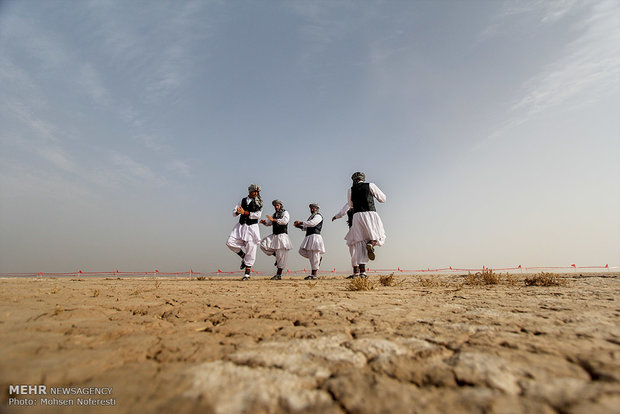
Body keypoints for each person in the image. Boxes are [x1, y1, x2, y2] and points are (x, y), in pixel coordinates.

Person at [333, 172, 386, 278]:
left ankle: (362, 272)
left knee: (359, 243)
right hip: (370, 213)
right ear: (363, 178)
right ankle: (372, 243)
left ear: (354, 180)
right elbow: (383, 199)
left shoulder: (350, 190)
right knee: (379, 234)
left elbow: (351, 205)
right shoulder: (370, 185)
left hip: (357, 216)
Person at [226, 184, 263, 281]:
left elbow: (258, 215)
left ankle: (247, 274)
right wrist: (238, 212)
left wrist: (245, 213)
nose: (255, 193)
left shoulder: (259, 202)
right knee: (230, 242)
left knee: (251, 248)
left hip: (252, 228)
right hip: (241, 226)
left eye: (257, 192)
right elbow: (235, 211)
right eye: (254, 191)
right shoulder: (242, 200)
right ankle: (243, 256)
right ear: (250, 191)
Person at [260, 200, 292, 280]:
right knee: (263, 244)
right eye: (275, 206)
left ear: (280, 205)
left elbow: (284, 221)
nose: (276, 207)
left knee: (281, 255)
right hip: (274, 235)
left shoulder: (285, 213)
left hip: (282, 236)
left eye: (277, 205)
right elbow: (269, 222)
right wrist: (264, 222)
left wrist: (274, 220)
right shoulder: (274, 214)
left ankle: (278, 275)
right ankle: (275, 255)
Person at [294, 203, 325, 280]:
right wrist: (299, 226)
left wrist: (301, 222)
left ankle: (314, 275)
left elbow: (312, 223)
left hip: (315, 237)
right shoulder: (310, 217)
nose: (312, 209)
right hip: (309, 237)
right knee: (302, 251)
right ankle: (317, 259)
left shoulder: (318, 216)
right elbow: (306, 227)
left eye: (313, 208)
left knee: (313, 255)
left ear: (316, 209)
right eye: (311, 208)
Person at [332, 205, 360, 278]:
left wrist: (336, 217)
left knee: (353, 250)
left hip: (354, 229)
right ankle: (361, 272)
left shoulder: (349, 203)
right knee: (359, 250)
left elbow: (342, 212)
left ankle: (356, 272)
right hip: (361, 229)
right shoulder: (362, 202)